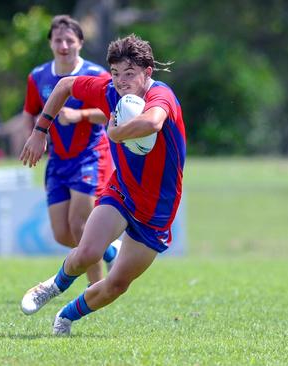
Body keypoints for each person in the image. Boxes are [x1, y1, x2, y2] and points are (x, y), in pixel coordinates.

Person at [19, 34, 186, 335]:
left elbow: (152, 123)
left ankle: (66, 316)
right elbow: (65, 85)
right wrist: (41, 130)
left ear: (148, 73)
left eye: (130, 74)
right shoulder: (109, 91)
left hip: (156, 211)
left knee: (118, 285)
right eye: (116, 74)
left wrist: (117, 134)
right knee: (87, 252)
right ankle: (52, 286)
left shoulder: (161, 95)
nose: (121, 82)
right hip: (121, 191)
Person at [20, 15, 121, 285]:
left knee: (80, 226)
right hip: (58, 160)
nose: (63, 45)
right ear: (51, 44)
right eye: (58, 40)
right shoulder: (38, 76)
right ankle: (111, 250)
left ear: (80, 43)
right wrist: (31, 138)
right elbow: (29, 112)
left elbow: (113, 113)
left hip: (91, 156)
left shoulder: (97, 75)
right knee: (61, 234)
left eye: (69, 40)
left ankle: (96, 289)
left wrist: (80, 116)